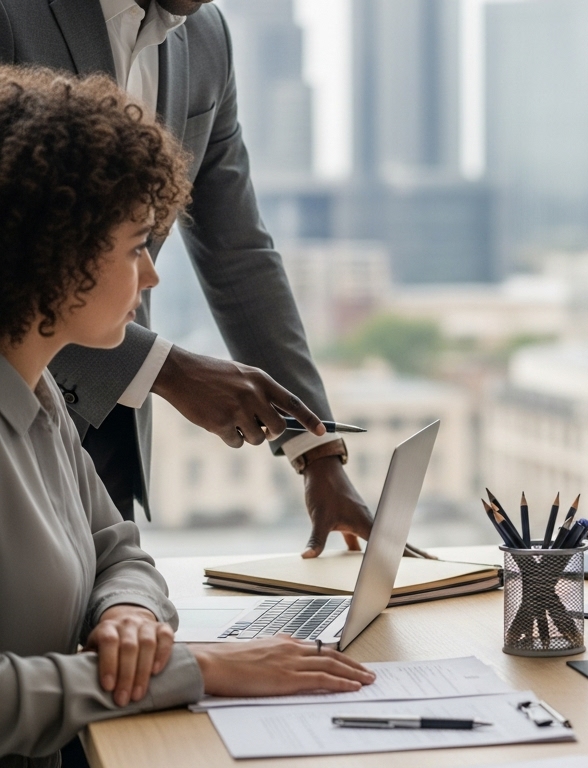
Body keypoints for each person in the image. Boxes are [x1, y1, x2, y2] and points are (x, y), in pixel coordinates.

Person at [0, 67, 377, 768]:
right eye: (137, 244)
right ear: (52, 252)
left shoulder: (41, 395)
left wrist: (131, 616)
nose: (152, 277)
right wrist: (198, 669)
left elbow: (118, 547)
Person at [0, 0, 406, 559]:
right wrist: (166, 369)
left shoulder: (208, 35)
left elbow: (238, 251)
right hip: (15, 404)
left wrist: (317, 452)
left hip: (112, 429)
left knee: (116, 607)